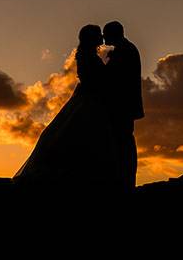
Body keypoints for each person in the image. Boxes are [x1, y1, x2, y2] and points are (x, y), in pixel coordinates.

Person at [12, 24, 121, 192]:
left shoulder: (88, 55)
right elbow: (95, 79)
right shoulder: (88, 57)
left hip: (88, 99)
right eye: (98, 34)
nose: (101, 37)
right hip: (89, 102)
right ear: (92, 38)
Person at [101, 20, 144, 191]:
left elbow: (115, 79)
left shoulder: (125, 51)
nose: (103, 38)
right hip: (123, 106)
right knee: (121, 142)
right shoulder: (124, 49)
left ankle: (125, 181)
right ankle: (123, 180)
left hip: (122, 106)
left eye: (106, 34)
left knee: (123, 142)